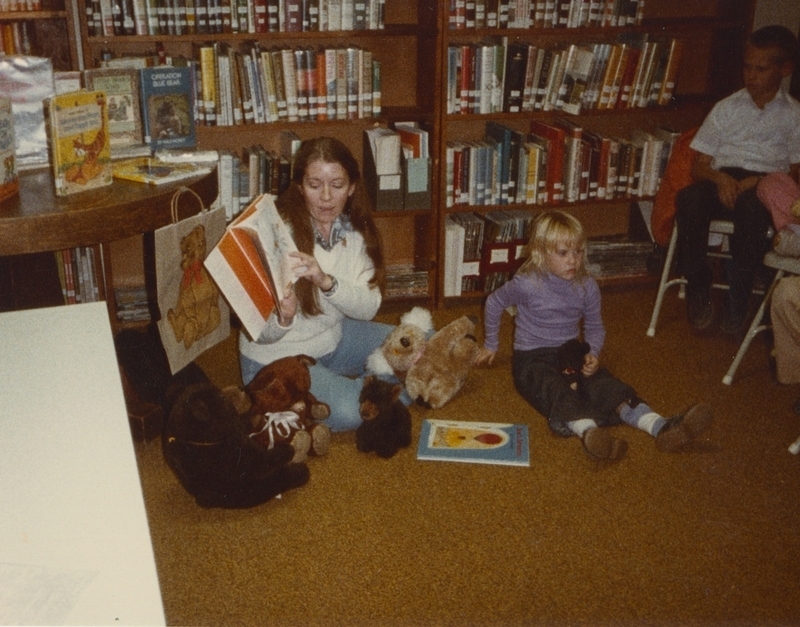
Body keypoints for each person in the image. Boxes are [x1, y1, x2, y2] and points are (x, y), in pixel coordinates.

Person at [474, 211, 713, 461]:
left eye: (578, 252)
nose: (573, 261)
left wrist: (592, 353)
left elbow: (595, 326)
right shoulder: (526, 283)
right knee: (553, 388)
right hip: (532, 358)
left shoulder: (586, 286)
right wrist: (491, 344)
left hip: (570, 351)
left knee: (605, 384)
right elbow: (494, 302)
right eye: (563, 253)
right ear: (541, 253)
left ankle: (659, 425)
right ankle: (590, 432)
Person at [238, 136, 394, 432]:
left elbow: (369, 307)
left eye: (336, 185)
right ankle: (366, 391)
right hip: (277, 358)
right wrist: (283, 318)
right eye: (314, 185)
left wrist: (326, 282)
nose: (325, 197)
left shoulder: (354, 230)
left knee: (421, 340)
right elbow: (257, 334)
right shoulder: (274, 232)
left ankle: (346, 389)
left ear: (351, 188)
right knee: (351, 412)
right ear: (299, 187)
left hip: (331, 339)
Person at [675, 25, 800, 334]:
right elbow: (699, 166)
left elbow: (796, 171)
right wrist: (719, 179)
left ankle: (737, 299)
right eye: (747, 67)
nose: (751, 75)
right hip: (723, 177)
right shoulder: (726, 108)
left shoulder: (794, 114)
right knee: (689, 200)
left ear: (785, 70)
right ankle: (698, 285)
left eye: (761, 68)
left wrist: (760, 181)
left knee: (751, 211)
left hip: (764, 184)